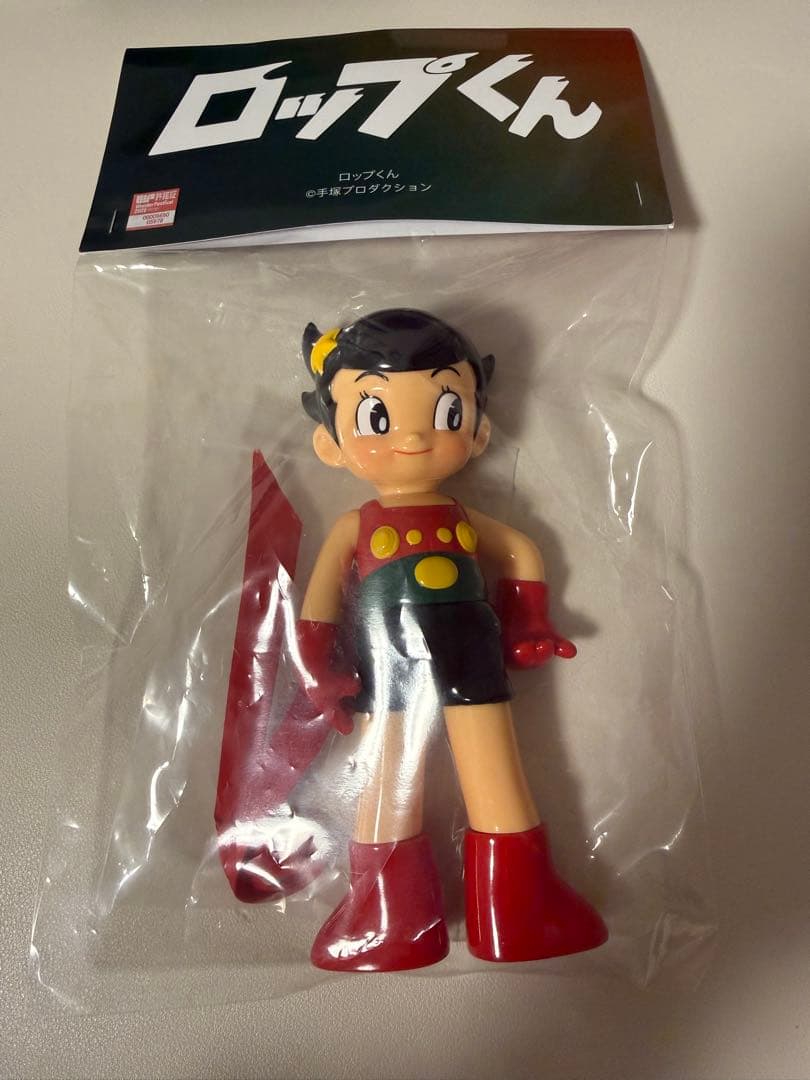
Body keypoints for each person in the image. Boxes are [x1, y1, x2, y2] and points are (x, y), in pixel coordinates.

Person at [297, 308, 607, 971]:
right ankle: (387, 917)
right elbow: (318, 604)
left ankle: (517, 912)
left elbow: (521, 551)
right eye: (377, 417)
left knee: (494, 769)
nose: (412, 435)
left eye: (445, 411)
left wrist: (527, 620)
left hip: (470, 645)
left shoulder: (462, 515)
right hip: (389, 653)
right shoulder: (355, 525)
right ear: (330, 443)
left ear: (478, 430)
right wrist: (321, 667)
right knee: (390, 774)